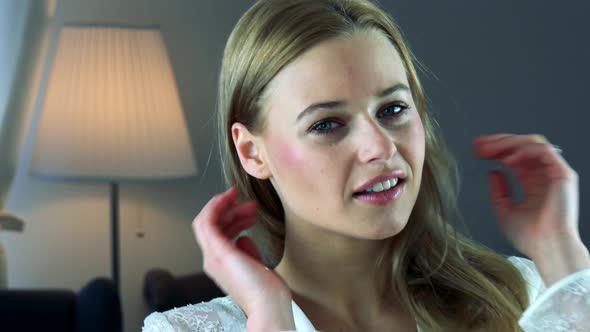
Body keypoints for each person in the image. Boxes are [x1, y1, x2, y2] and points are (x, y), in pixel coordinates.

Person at [143, 0, 590, 331]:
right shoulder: (181, 330)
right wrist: (270, 315)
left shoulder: (530, 290)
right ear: (252, 153)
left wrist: (561, 253)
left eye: (393, 109)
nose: (380, 148)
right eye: (328, 124)